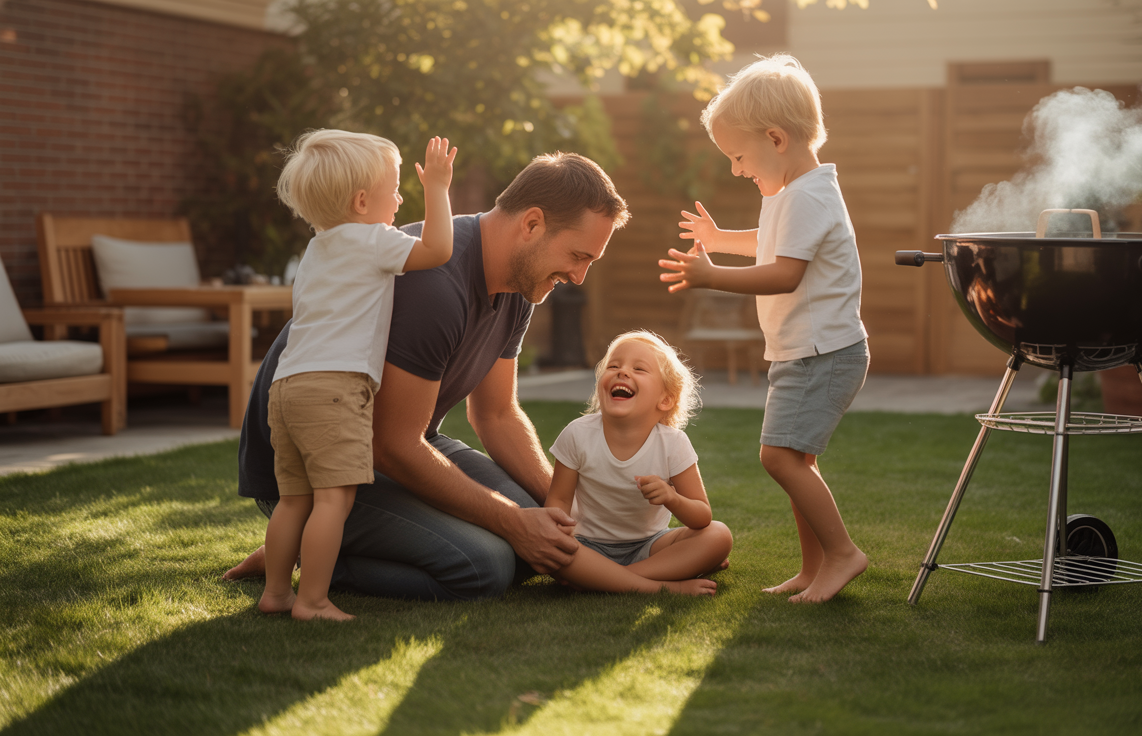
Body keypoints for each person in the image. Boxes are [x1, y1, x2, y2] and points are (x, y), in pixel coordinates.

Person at [224, 152, 630, 602]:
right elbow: (391, 444)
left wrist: (567, 505)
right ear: (532, 224)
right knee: (488, 565)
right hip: (318, 462)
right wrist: (512, 523)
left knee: (548, 532)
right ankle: (303, 549)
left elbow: (496, 414)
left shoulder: (519, 284)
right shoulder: (435, 280)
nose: (578, 276)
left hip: (400, 442)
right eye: (577, 256)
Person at [658, 54, 870, 603]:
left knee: (778, 457)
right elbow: (771, 241)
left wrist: (711, 276)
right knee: (797, 461)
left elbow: (784, 273)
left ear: (776, 139)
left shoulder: (808, 195)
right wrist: (719, 239)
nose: (736, 169)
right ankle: (813, 568)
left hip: (822, 353)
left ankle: (842, 554)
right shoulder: (791, 193)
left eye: (738, 156)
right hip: (805, 351)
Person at [258, 129, 458, 620]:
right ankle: (313, 601)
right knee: (334, 501)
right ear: (362, 202)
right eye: (396, 190)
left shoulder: (316, 250)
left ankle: (276, 593)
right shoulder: (372, 240)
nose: (401, 199)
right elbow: (437, 250)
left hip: (287, 386)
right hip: (335, 389)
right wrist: (437, 188)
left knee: (293, 501)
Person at [545, 330, 732, 596]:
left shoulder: (673, 443)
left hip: (649, 546)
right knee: (550, 549)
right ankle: (662, 585)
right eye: (613, 366)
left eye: (639, 369)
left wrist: (672, 498)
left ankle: (603, 579)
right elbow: (559, 501)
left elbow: (702, 517)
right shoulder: (577, 434)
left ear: (665, 400)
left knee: (718, 535)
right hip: (587, 546)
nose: (622, 372)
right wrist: (558, 539)